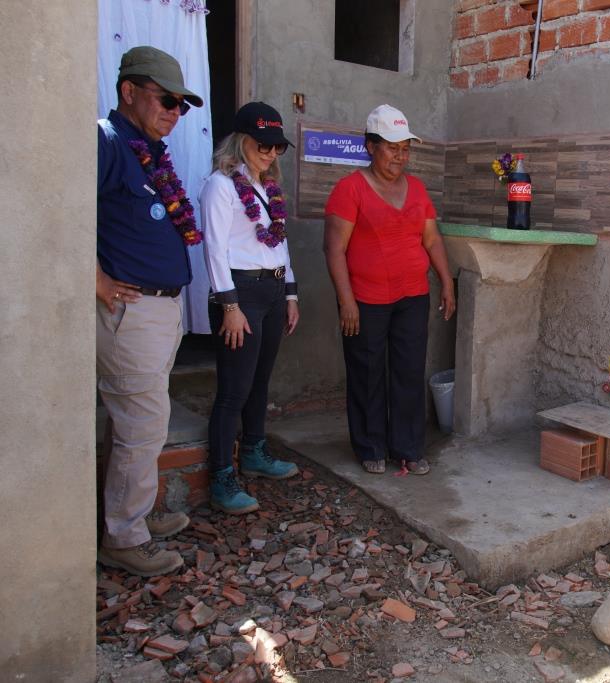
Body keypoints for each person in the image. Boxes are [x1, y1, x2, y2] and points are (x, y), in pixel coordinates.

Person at [96, 46, 204, 576]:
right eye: (166, 99)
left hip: (160, 310)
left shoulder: (148, 150)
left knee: (142, 422)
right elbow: (61, 209)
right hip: (130, 311)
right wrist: (94, 277)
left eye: (182, 105)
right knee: (143, 422)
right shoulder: (107, 140)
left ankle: (131, 516)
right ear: (129, 92)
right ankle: (123, 536)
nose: (175, 112)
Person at [323, 104, 456, 475]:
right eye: (392, 146)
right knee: (367, 373)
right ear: (370, 146)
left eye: (405, 148)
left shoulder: (416, 188)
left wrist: (446, 281)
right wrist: (346, 300)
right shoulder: (349, 190)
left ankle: (409, 449)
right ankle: (371, 446)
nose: (400, 155)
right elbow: (333, 249)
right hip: (365, 299)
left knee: (409, 371)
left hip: (413, 295)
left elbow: (431, 239)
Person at [199, 102, 301, 514]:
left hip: (272, 292)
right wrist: (230, 305)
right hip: (240, 293)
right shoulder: (221, 186)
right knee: (233, 391)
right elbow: (214, 249)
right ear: (241, 140)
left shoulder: (268, 187)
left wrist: (290, 294)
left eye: (277, 147)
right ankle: (222, 476)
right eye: (263, 144)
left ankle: (255, 453)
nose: (271, 153)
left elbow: (280, 242)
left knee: (260, 380)